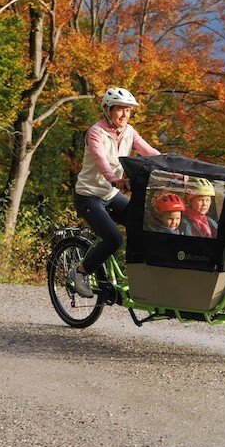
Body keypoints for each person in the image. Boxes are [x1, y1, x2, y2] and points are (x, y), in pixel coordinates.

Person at [70, 87, 161, 297]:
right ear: (107, 110)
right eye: (119, 109)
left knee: (141, 223)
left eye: (128, 110)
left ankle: (138, 275)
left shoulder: (129, 132)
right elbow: (102, 161)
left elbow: (150, 153)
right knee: (113, 239)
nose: (124, 115)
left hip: (111, 196)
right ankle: (80, 271)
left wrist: (172, 168)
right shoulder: (96, 132)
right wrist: (115, 179)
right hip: (88, 195)